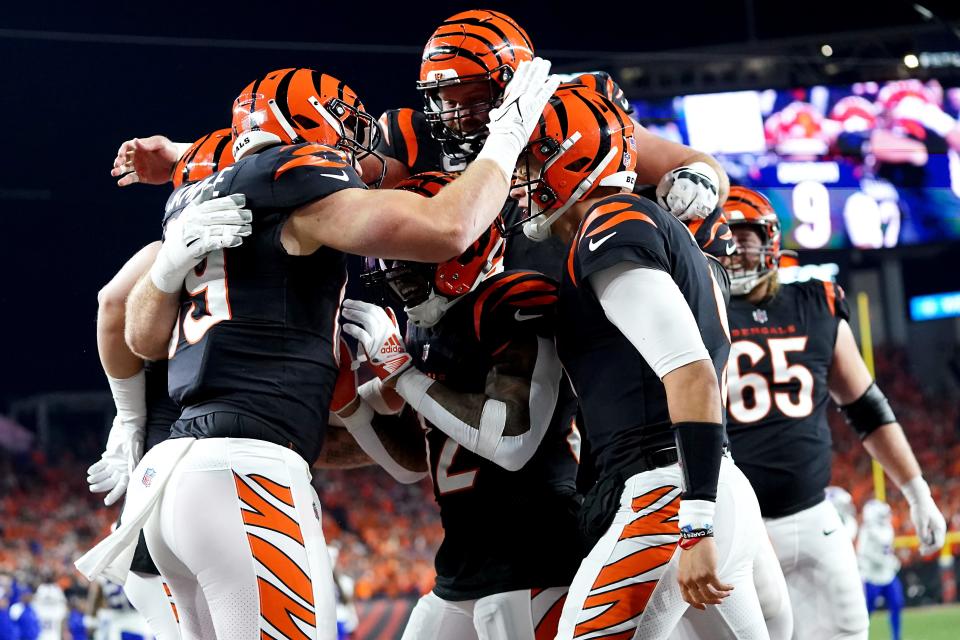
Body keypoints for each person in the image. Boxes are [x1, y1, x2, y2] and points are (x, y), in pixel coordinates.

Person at [78, 61, 558, 640]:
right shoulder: (299, 183)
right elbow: (447, 228)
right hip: (244, 474)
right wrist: (508, 133)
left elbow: (134, 331)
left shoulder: (201, 197)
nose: (356, 146)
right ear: (305, 124)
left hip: (173, 477)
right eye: (344, 125)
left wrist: (165, 277)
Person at [504, 84, 776, 638]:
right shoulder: (643, 225)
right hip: (706, 479)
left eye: (531, 160)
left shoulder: (611, 227)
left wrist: (695, 525)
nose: (519, 180)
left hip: (670, 491)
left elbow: (691, 373)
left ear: (571, 156)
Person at [335, 171, 580, 639]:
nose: (397, 277)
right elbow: (412, 462)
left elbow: (511, 440)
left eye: (409, 261)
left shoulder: (515, 299)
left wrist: (400, 373)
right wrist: (350, 406)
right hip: (462, 562)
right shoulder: (426, 327)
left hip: (535, 553)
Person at [720, 185, 947, 639]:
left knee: (848, 631)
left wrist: (917, 489)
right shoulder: (699, 308)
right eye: (726, 239)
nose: (737, 251)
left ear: (770, 240)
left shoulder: (813, 303)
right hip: (736, 529)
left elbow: (866, 407)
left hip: (813, 516)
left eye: (746, 237)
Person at [87, 129, 235, 640]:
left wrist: (126, 417)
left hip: (161, 477)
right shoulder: (279, 265)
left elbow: (112, 308)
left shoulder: (166, 256)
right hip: (222, 463)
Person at [858, 500, 904, 640]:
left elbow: (888, 550)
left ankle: (896, 637)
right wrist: (887, 561)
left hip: (888, 575)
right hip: (872, 577)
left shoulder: (887, 527)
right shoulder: (866, 531)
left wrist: (891, 560)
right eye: (882, 514)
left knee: (897, 603)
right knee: (866, 611)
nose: (886, 517)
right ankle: (860, 636)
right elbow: (863, 553)